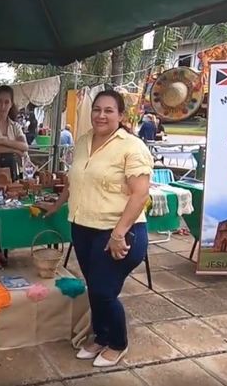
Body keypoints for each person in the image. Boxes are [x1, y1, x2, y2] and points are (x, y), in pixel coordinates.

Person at [42, 90, 152, 367]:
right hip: (83, 227)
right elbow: (73, 179)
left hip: (118, 231)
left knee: (104, 291)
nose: (101, 115)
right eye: (97, 110)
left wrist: (118, 234)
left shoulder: (131, 146)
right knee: (95, 288)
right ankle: (101, 336)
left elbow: (140, 194)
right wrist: (57, 205)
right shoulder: (82, 141)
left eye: (109, 110)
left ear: (120, 115)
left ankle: (117, 342)